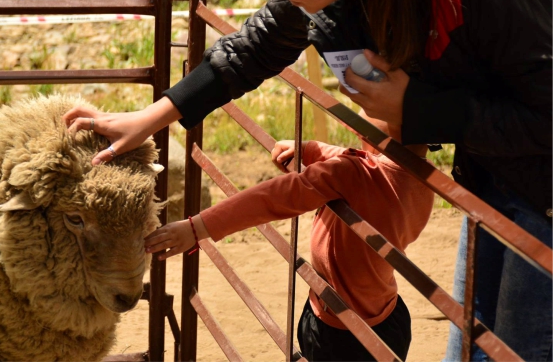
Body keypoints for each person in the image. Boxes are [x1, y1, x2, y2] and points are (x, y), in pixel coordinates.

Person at [63, 0, 552, 359]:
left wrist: (418, 109)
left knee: (521, 346)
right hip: (491, 176)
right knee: (475, 337)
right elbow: (258, 43)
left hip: (542, 193)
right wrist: (153, 117)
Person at [144, 118, 433, 361]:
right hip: (390, 322)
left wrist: (198, 227)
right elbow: (369, 162)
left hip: (336, 332)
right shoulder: (424, 182)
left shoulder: (351, 175)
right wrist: (308, 151)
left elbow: (272, 198)